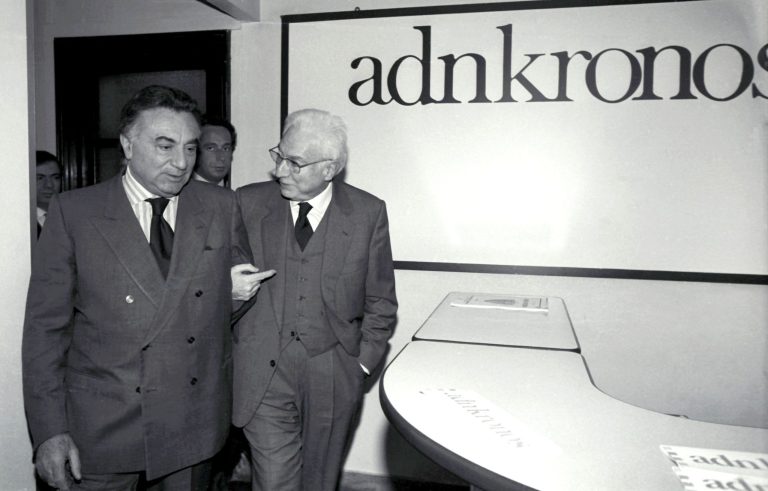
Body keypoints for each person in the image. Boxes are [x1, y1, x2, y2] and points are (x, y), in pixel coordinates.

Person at [22, 85, 272, 490]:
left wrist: (230, 296)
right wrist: (50, 431)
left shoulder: (219, 206)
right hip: (101, 426)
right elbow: (45, 332)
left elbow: (230, 302)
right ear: (127, 144)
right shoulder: (75, 212)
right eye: (165, 146)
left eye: (190, 148)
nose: (181, 163)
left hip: (191, 420)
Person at [233, 108, 398, 491]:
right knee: (274, 480)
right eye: (279, 156)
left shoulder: (367, 213)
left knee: (319, 481)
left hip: (334, 368)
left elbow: (381, 299)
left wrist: (361, 365)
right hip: (263, 370)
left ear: (329, 169)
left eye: (294, 163)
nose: (280, 171)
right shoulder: (247, 203)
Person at [193, 118, 236, 186]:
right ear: (195, 151)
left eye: (225, 149)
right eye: (211, 148)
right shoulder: (178, 191)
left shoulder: (239, 191)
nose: (221, 157)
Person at [35, 150, 62, 236]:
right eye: (40, 178)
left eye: (55, 177)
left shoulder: (71, 215)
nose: (49, 185)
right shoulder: (16, 220)